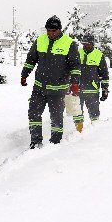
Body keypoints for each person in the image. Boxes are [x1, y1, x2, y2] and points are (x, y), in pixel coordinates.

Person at [21, 15, 81, 148]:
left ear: (59, 30)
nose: (50, 33)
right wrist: (24, 74)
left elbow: (75, 65)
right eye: (48, 30)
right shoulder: (40, 40)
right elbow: (31, 59)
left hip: (58, 89)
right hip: (39, 88)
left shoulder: (69, 43)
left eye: (53, 31)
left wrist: (75, 82)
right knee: (33, 114)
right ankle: (35, 142)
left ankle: (55, 142)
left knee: (56, 117)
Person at [73, 33, 109, 132]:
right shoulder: (77, 53)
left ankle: (94, 134)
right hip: (78, 90)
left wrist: (105, 89)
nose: (86, 46)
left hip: (92, 91)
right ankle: (78, 132)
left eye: (88, 44)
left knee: (94, 114)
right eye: (84, 44)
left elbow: (104, 75)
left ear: (92, 44)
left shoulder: (99, 55)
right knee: (77, 113)